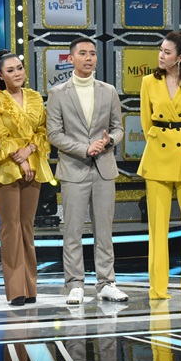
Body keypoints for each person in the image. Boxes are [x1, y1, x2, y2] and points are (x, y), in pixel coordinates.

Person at [46, 37, 128, 305]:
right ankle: (75, 284)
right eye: (82, 53)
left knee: (104, 230)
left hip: (104, 168)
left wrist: (109, 141)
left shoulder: (109, 91)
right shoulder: (58, 93)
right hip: (74, 169)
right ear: (71, 59)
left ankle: (106, 282)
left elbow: (118, 127)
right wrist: (85, 148)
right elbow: (54, 134)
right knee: (72, 231)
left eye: (92, 53)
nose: (89, 58)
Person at [0, 50, 54, 306]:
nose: (17, 73)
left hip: (32, 165)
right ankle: (15, 291)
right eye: (10, 70)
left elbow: (43, 131)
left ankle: (30, 288)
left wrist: (30, 151)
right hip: (6, 168)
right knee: (10, 227)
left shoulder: (34, 97)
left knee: (26, 226)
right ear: (0, 75)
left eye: (19, 68)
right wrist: (19, 158)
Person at [137, 30, 181, 300]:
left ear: (180, 58)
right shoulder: (148, 82)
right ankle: (158, 288)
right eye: (160, 50)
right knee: (157, 227)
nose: (161, 56)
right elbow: (146, 122)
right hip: (157, 154)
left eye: (167, 52)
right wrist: (159, 140)